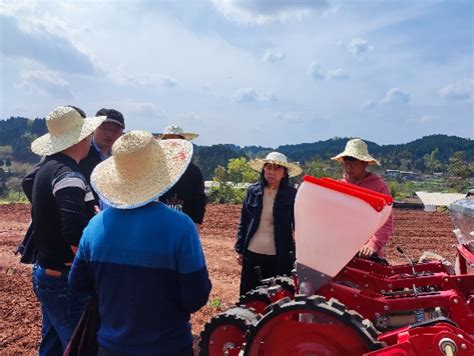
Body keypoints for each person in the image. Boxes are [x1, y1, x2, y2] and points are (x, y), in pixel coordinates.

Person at [69, 131, 212, 355]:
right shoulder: (181, 227)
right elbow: (196, 296)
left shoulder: (95, 226)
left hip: (110, 345)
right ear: (161, 173)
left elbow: (78, 283)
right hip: (168, 345)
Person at [29, 106, 106, 355]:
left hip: (47, 272)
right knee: (81, 347)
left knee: (51, 344)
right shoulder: (68, 176)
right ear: (80, 139)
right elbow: (75, 234)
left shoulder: (46, 169)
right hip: (65, 278)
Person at [235, 152, 302, 295]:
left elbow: (298, 226)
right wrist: (240, 249)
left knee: (277, 296)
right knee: (248, 293)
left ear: (285, 173)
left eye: (277, 169)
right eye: (269, 167)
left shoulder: (292, 195)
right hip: (253, 251)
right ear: (263, 169)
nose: (272, 172)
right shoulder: (253, 191)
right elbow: (244, 220)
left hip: (280, 254)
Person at [331, 138, 394, 258]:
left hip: (365, 253)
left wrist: (372, 245)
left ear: (364, 163)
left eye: (353, 163)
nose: (348, 167)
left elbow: (385, 221)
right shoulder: (337, 187)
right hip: (339, 250)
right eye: (346, 163)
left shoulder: (378, 187)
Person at [155, 125, 207, 227]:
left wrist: (195, 224)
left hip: (184, 224)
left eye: (176, 142)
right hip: (158, 223)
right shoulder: (155, 170)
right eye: (168, 142)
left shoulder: (193, 171)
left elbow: (199, 199)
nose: (173, 145)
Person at [79, 108, 125, 208]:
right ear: (93, 128)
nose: (109, 134)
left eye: (115, 130)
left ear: (121, 133)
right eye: (104, 128)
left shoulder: (122, 157)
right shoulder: (82, 154)